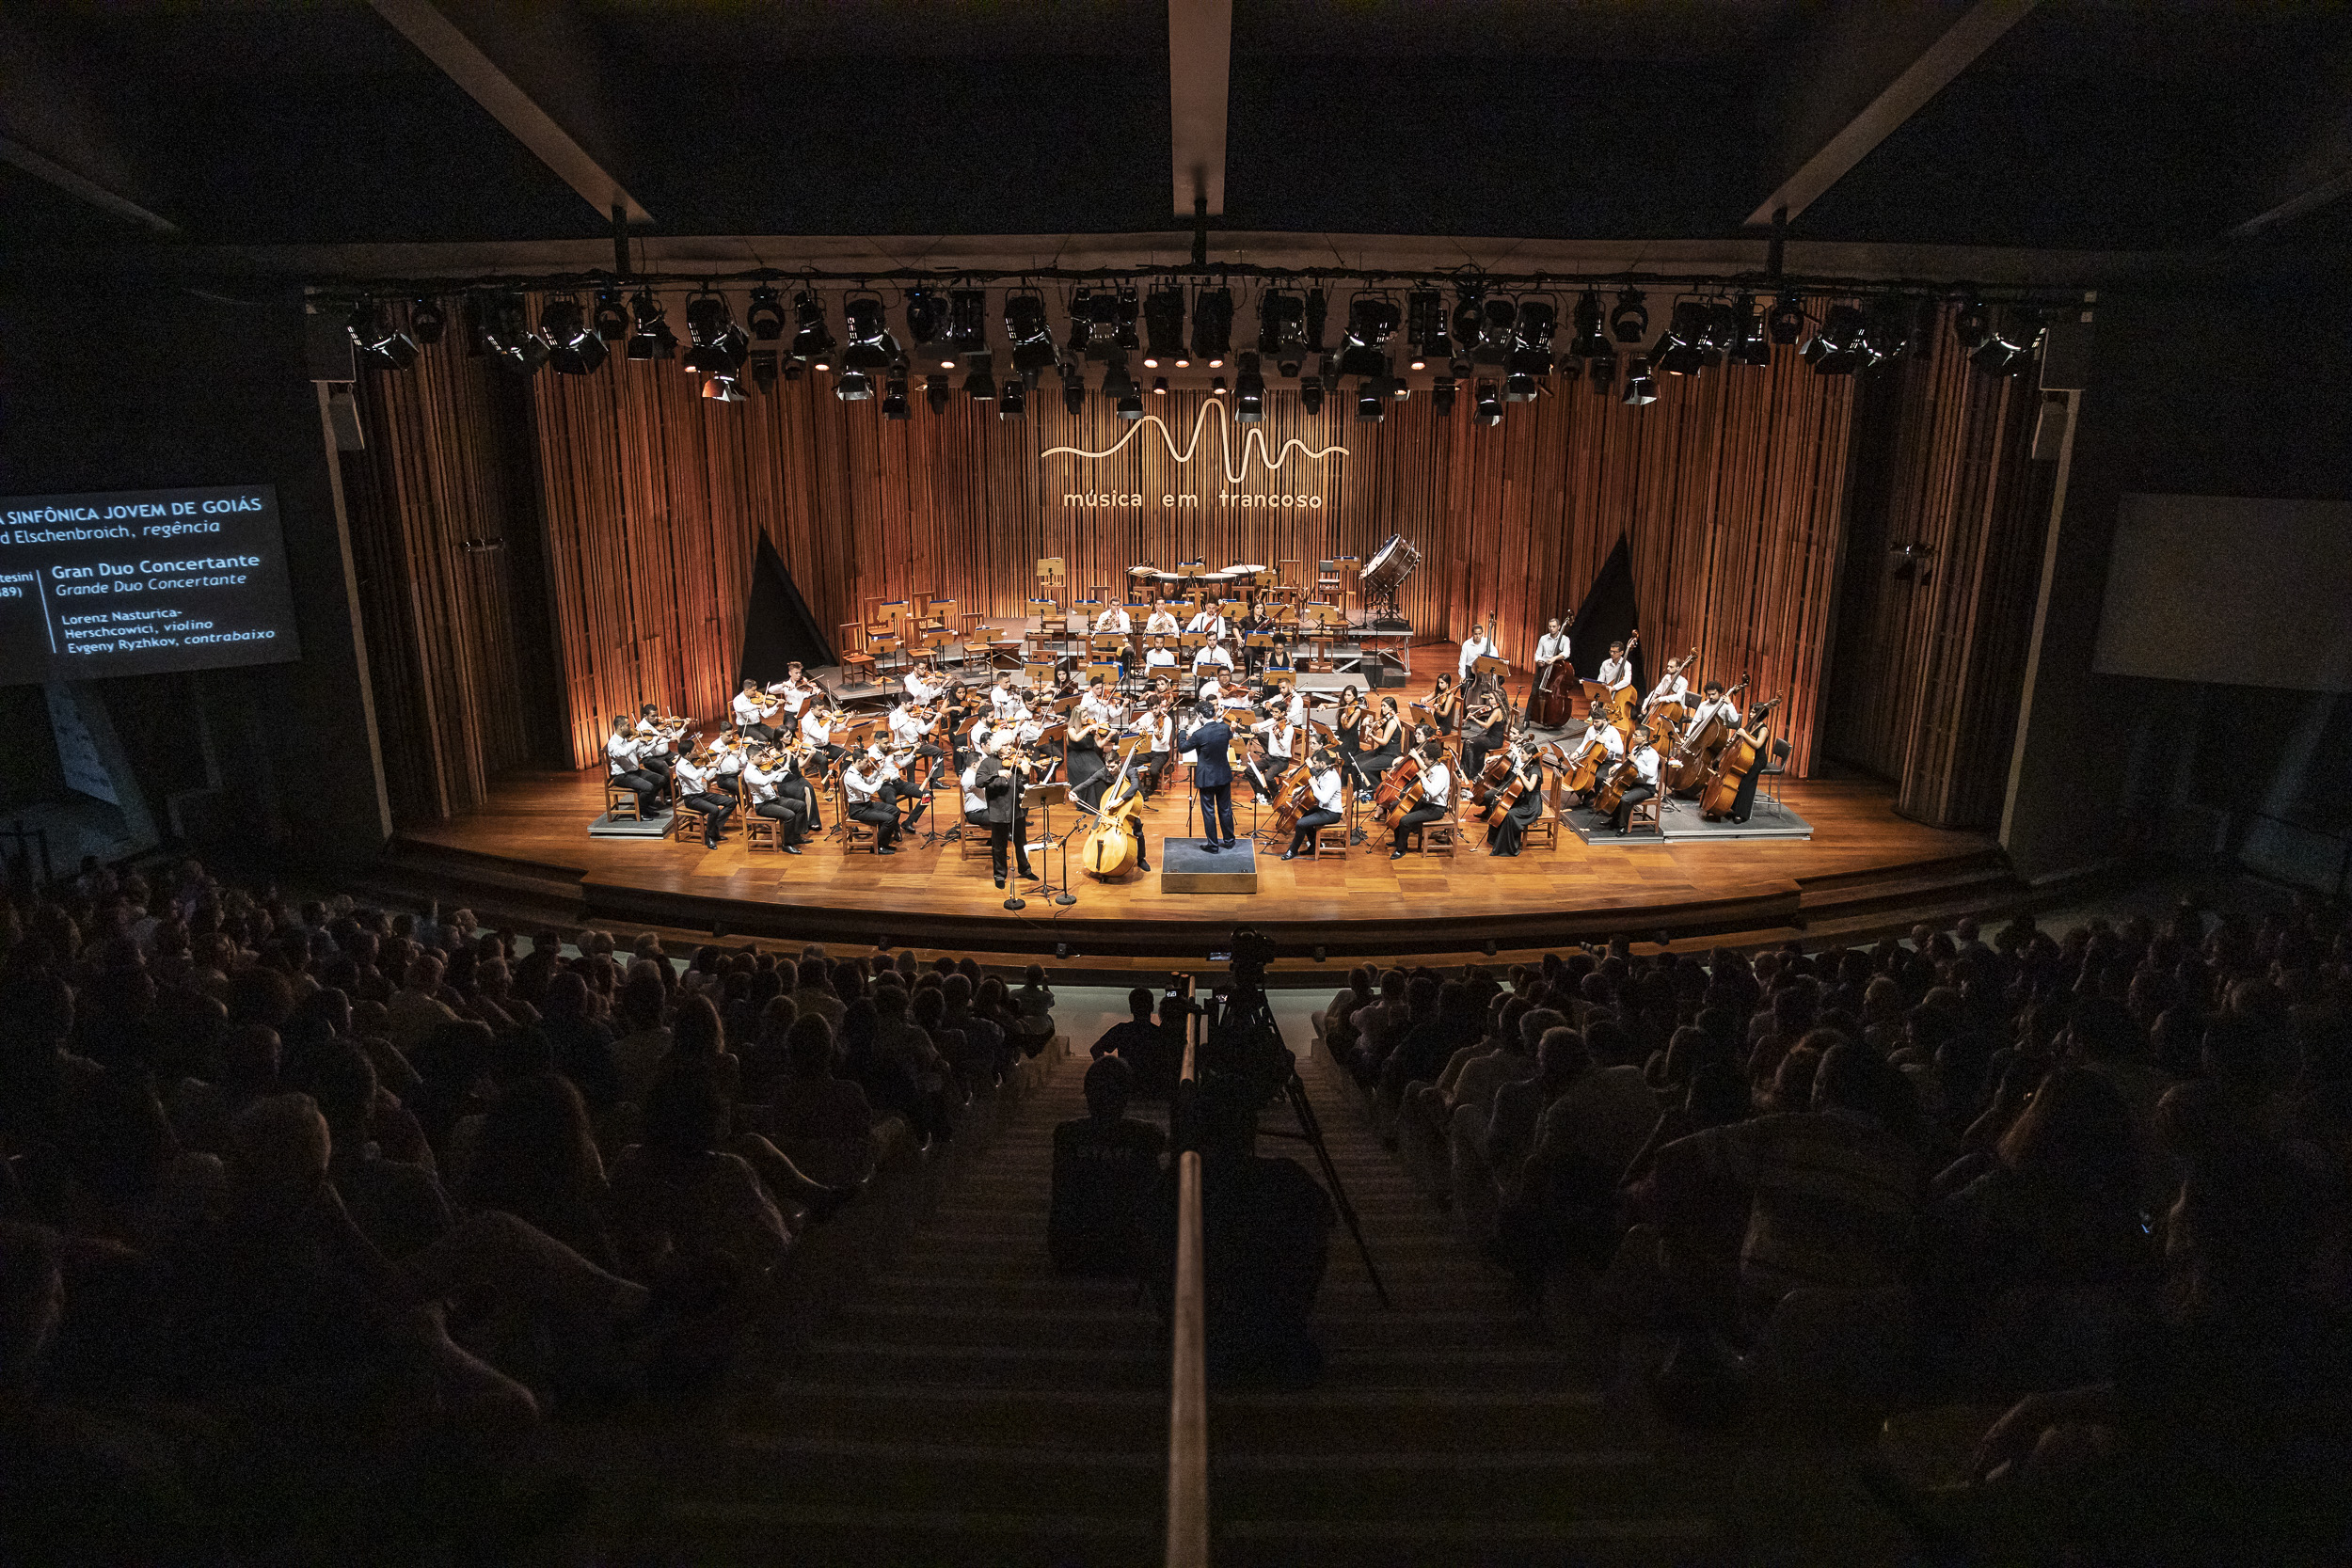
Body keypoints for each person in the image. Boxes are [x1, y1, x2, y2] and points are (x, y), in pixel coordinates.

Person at [1150, 1071, 1334, 1387]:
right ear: (1250, 1129)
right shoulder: (1289, 1179)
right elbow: (1327, 1221)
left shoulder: (1178, 1183)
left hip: (1207, 1333)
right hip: (1277, 1336)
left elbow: (1151, 1240)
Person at [1048, 1056, 1168, 1276]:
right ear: (1125, 1097)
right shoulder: (1145, 1135)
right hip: (1129, 1253)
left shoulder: (1066, 1134)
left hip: (1072, 1252)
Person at [975, 736, 1038, 889]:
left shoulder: (1016, 762)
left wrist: (1026, 772)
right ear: (997, 747)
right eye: (1005, 744)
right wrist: (997, 773)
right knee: (999, 845)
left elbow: (1023, 784)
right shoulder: (988, 763)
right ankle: (1000, 874)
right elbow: (978, 781)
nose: (1010, 748)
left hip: (1017, 808)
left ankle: (1025, 869)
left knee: (1021, 842)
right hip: (998, 810)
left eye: (1010, 744)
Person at [1178, 703, 1237, 850]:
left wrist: (1182, 729)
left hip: (1207, 778)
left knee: (1209, 811)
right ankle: (1229, 841)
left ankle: (1213, 845)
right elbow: (1229, 735)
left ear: (1200, 715)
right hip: (1223, 774)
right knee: (1225, 809)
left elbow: (1182, 748)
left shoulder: (1199, 734)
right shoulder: (1224, 728)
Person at [1389, 738, 1452, 859]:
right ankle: (1399, 841)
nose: (1422, 760)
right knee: (1394, 806)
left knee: (1404, 820)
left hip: (1435, 809)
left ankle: (1401, 849)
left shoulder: (1441, 773)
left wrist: (1422, 777)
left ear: (1432, 760)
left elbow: (1433, 792)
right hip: (1425, 802)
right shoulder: (1434, 767)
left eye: (1424, 757)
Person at [1280, 748, 1346, 861]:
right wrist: (1300, 788)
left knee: (1300, 823)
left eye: (1315, 763)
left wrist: (1314, 785)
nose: (1313, 766)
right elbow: (1316, 784)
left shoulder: (1332, 778)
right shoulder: (1325, 771)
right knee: (1303, 815)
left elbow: (1324, 798)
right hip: (1324, 809)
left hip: (1332, 813)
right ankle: (1314, 846)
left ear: (1322, 763)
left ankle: (1292, 850)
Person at [1486, 743, 1548, 857]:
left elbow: (1530, 787)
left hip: (1531, 806)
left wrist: (1521, 775)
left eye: (1522, 753)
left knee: (1510, 814)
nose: (1520, 755)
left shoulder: (1535, 770)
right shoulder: (1527, 765)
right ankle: (1495, 841)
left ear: (1530, 755)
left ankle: (1508, 848)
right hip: (1523, 800)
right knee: (1497, 805)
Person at [673, 747, 736, 850]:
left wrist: (718, 762)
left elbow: (707, 776)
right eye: (694, 750)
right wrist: (706, 767)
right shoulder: (681, 766)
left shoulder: (693, 763)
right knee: (714, 809)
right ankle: (709, 837)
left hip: (702, 794)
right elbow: (693, 776)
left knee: (731, 802)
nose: (697, 752)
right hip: (691, 799)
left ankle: (713, 828)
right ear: (688, 754)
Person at [842, 746, 902, 853]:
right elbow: (869, 790)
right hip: (858, 810)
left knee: (895, 811)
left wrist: (878, 771)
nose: (868, 763)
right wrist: (882, 780)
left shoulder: (858, 771)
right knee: (889, 819)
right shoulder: (851, 777)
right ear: (859, 761)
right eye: (866, 761)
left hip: (866, 805)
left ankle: (883, 843)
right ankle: (878, 846)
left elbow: (868, 782)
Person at [605, 716, 664, 818]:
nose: (631, 727)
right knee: (648, 787)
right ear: (620, 727)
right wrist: (637, 741)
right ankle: (641, 812)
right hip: (622, 776)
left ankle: (646, 805)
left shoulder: (629, 739)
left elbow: (642, 752)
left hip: (635, 771)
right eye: (628, 725)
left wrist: (655, 742)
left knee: (660, 779)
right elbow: (623, 753)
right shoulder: (613, 743)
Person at [1610, 724, 1662, 834]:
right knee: (1615, 790)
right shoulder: (1635, 749)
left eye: (1636, 735)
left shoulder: (1652, 755)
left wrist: (1636, 761)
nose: (1633, 737)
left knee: (1625, 799)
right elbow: (1628, 764)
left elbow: (1651, 772)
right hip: (1635, 782)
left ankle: (1623, 826)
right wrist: (1616, 766)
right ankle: (1614, 820)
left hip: (1646, 788)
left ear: (1644, 738)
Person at [732, 678, 781, 743]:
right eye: (753, 690)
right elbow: (739, 709)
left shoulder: (758, 698)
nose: (756, 692)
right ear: (746, 690)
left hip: (758, 725)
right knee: (763, 740)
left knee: (776, 736)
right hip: (745, 727)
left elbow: (765, 714)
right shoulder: (738, 699)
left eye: (756, 690)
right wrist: (756, 706)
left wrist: (776, 705)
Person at [1457, 619, 1498, 685]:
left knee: (1500, 679)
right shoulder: (1466, 644)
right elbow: (1462, 661)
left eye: (1479, 634)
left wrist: (1488, 659)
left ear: (1482, 634)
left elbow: (1494, 653)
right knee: (1464, 685)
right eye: (1476, 634)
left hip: (1483, 667)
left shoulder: (1487, 641)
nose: (1478, 636)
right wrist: (1462, 676)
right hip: (1470, 666)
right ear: (1472, 634)